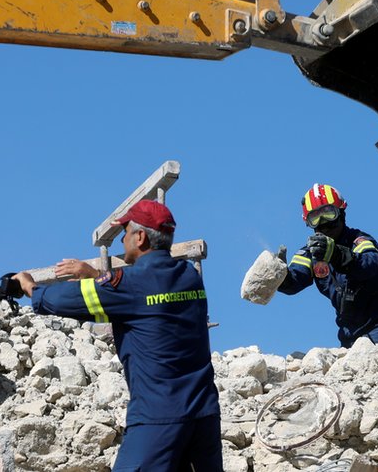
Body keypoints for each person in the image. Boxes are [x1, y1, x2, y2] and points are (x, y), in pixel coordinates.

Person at [12, 200, 222, 471]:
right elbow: (143, 300)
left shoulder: (129, 286)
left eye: (125, 232)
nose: (122, 239)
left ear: (141, 237)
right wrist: (98, 276)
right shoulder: (189, 277)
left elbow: (65, 300)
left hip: (158, 417)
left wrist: (30, 287)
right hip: (204, 415)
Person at [277, 183, 378, 348]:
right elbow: (294, 281)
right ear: (309, 223)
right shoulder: (311, 253)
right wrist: (279, 275)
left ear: (341, 213)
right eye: (316, 217)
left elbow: (368, 265)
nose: (324, 223)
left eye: (328, 213)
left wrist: (337, 255)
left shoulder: (360, 240)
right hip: (349, 334)